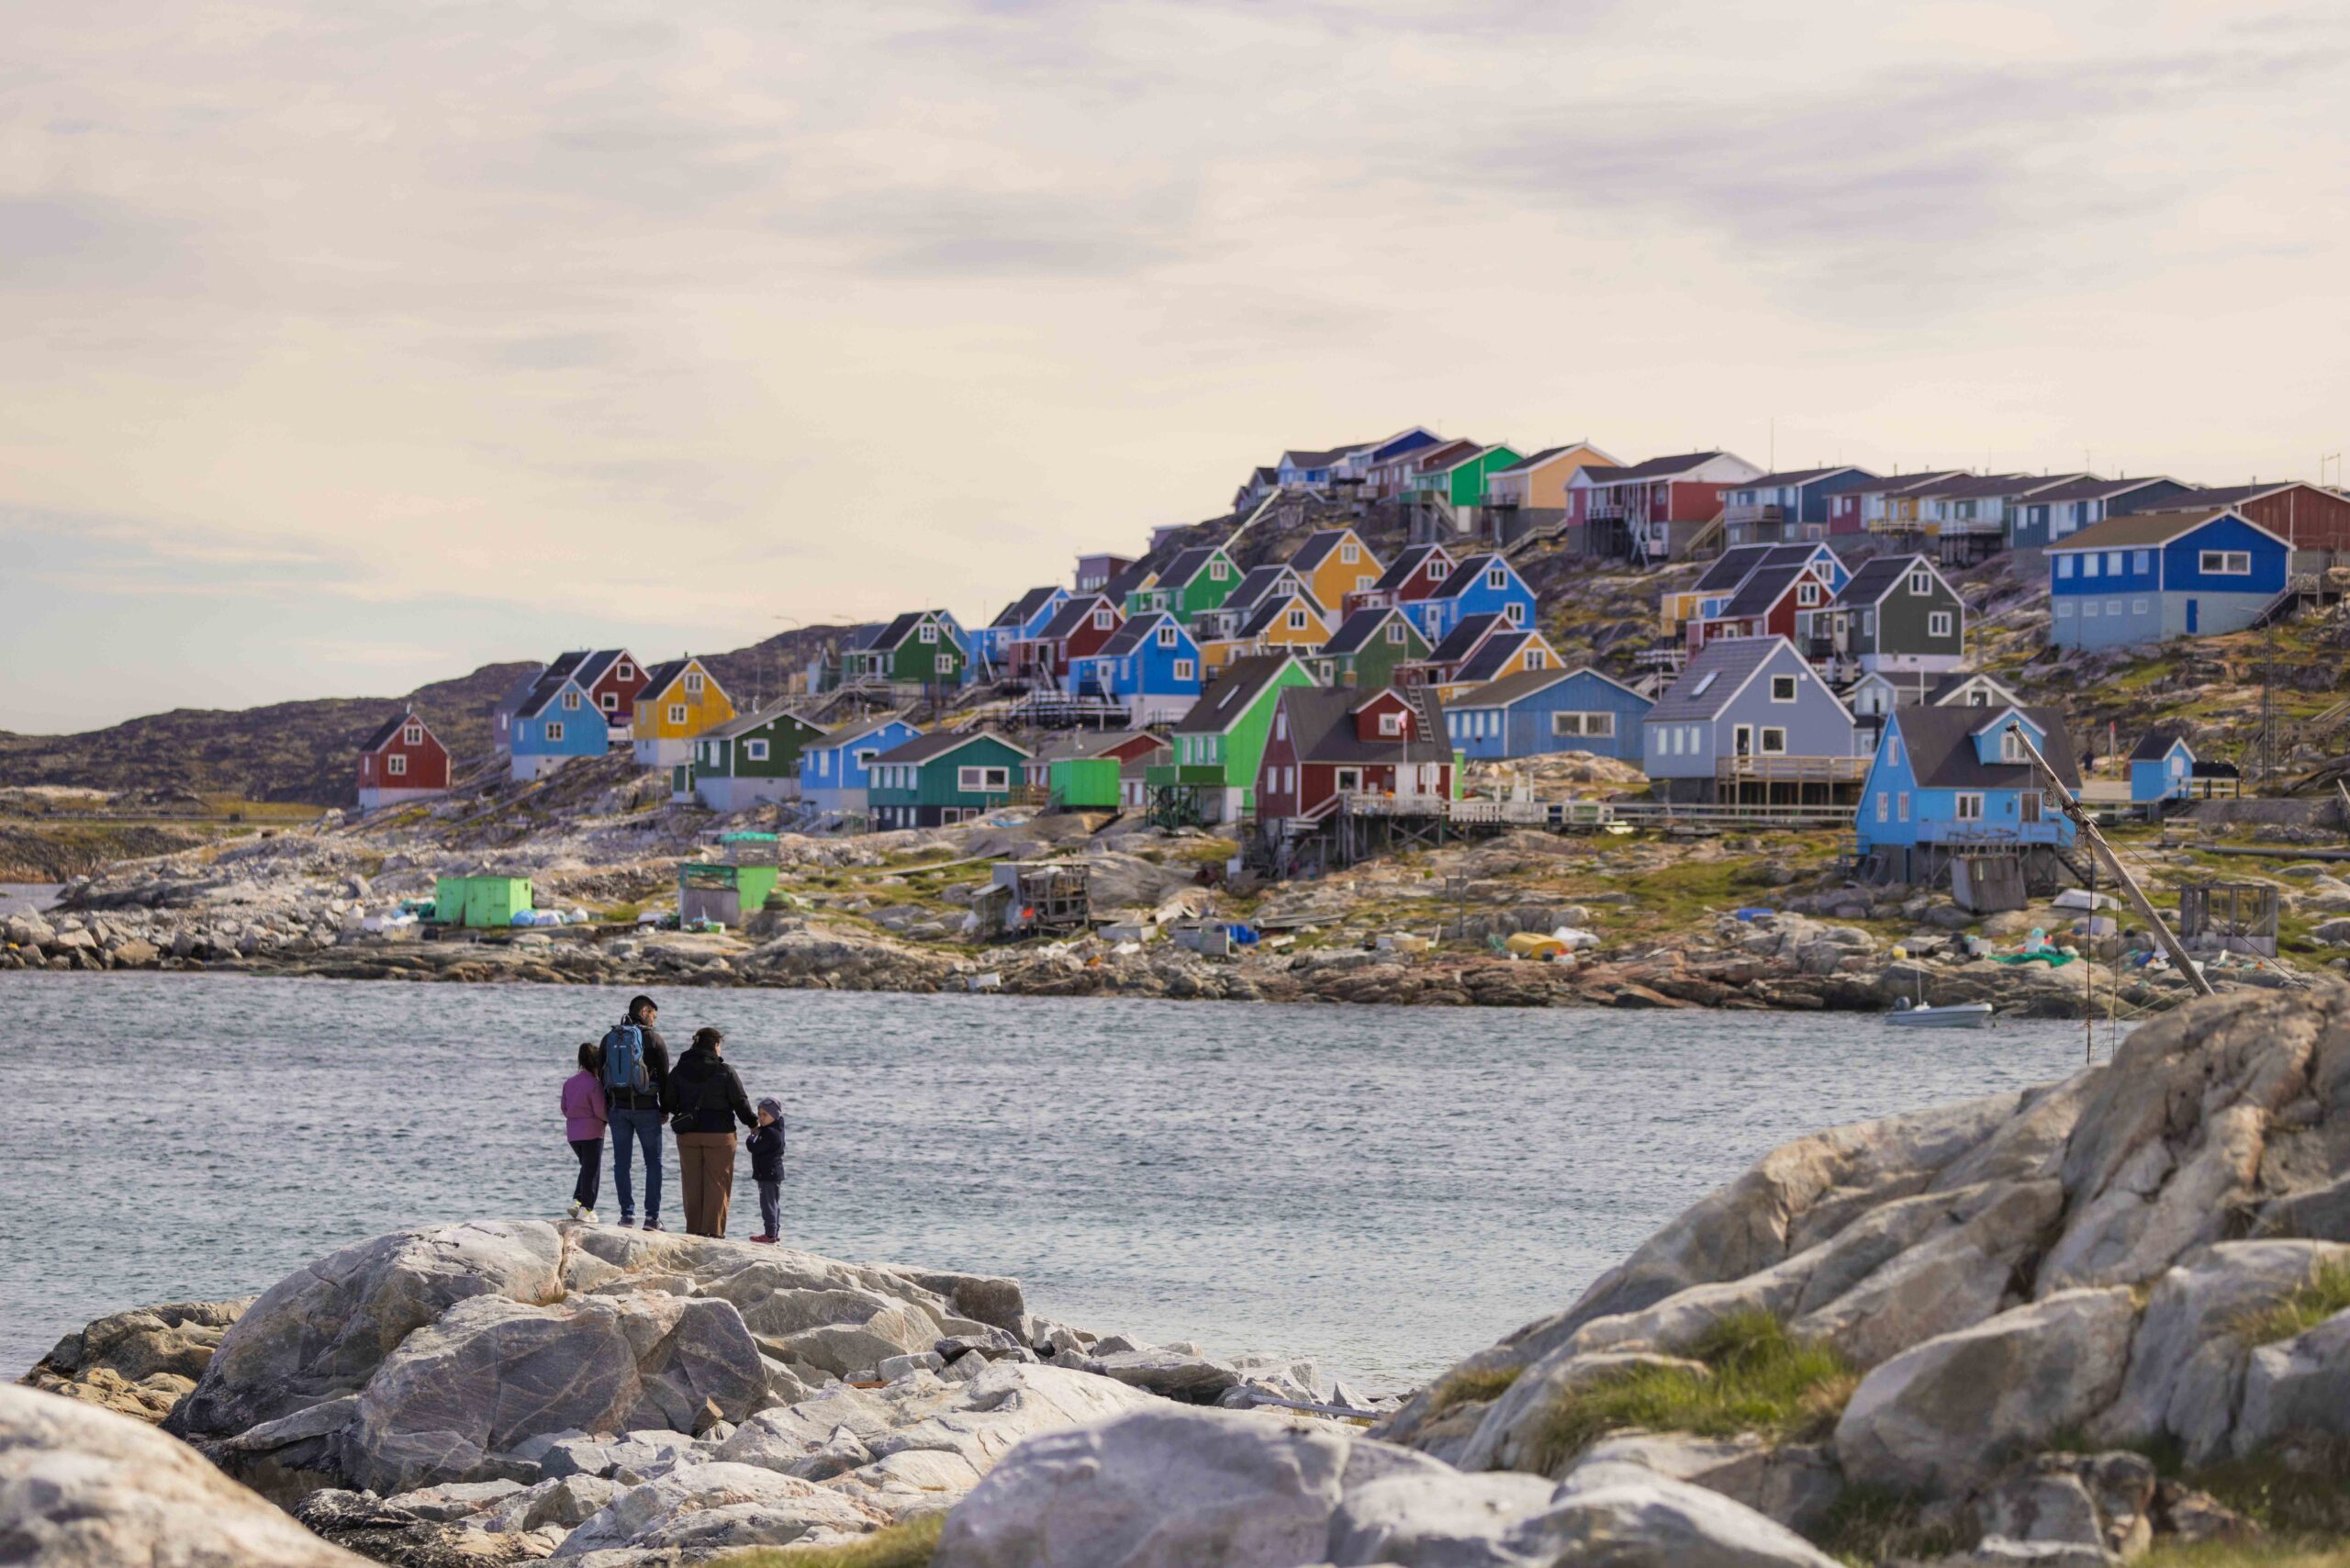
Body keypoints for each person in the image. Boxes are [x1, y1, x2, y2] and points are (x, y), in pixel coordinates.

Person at [664, 1025, 756, 1238]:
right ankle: (713, 1233)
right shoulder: (725, 1071)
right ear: (716, 1045)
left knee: (692, 1184)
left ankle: (694, 1232)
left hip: (688, 1135)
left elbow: (668, 1102)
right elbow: (740, 1102)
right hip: (720, 1135)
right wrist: (752, 1124)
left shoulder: (679, 1070)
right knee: (717, 1183)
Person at [600, 995, 672, 1230]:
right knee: (654, 1164)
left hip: (618, 1109)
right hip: (646, 1109)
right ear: (644, 1011)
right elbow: (664, 1078)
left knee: (622, 1164)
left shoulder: (609, 1038)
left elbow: (601, 1076)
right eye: (653, 1014)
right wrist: (665, 1109)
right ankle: (652, 1218)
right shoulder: (654, 1039)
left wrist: (607, 1108)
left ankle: (626, 1216)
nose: (653, 1020)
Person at [561, 1041, 607, 1222]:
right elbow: (600, 1111)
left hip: (573, 1133)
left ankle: (578, 1201)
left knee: (586, 1168)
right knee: (592, 1170)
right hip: (592, 1132)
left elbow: (564, 1108)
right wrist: (611, 1120)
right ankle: (587, 1209)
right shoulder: (595, 1084)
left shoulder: (569, 1083)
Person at [746, 1098, 786, 1244]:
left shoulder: (770, 1133)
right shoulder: (776, 1129)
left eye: (765, 1115)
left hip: (768, 1174)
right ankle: (774, 1232)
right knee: (773, 1202)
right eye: (759, 1114)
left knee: (768, 1203)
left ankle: (769, 1234)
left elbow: (754, 1148)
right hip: (773, 1173)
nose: (761, 1118)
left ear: (774, 1116)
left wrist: (751, 1137)